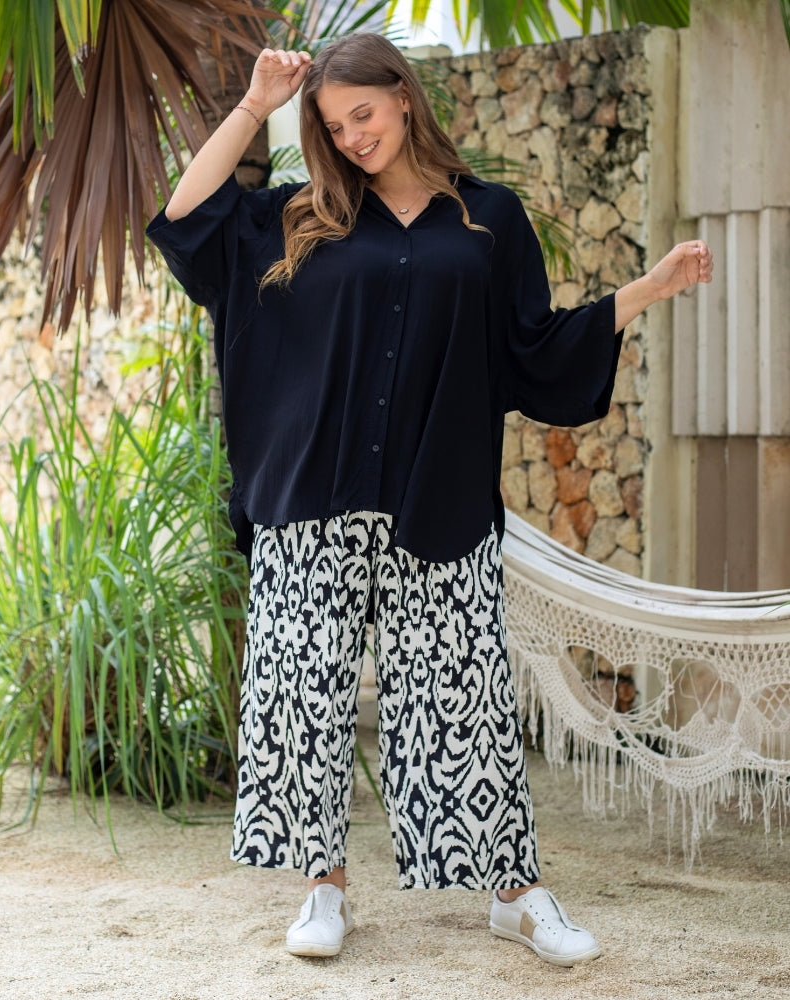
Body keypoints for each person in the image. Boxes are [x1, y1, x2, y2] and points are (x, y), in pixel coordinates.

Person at [147, 32, 713, 967]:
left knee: (464, 701)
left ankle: (516, 894)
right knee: (304, 696)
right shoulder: (303, 215)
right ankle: (321, 888)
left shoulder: (489, 220)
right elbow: (187, 219)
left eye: (362, 114)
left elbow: (532, 348)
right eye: (333, 126)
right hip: (311, 496)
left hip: (436, 499)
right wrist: (256, 106)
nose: (353, 137)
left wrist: (644, 292)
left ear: (403, 99)